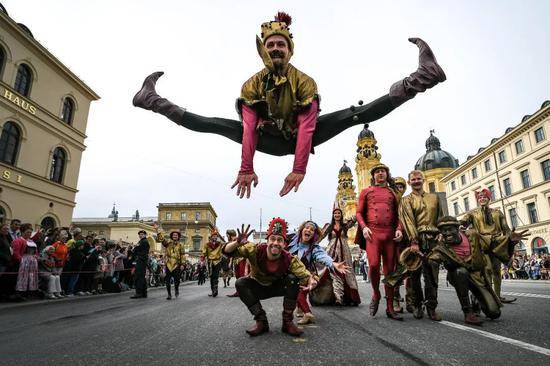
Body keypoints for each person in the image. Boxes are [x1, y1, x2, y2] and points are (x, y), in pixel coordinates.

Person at [133, 12, 446, 199]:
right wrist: (246, 167)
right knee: (215, 124)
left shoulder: (304, 82)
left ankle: (422, 78)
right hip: (267, 139)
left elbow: (308, 127)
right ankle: (152, 100)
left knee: (355, 114)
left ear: (289, 50)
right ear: (264, 52)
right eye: (270, 45)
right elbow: (247, 128)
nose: (275, 49)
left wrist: (299, 169)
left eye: (280, 44)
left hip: (301, 136)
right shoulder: (252, 85)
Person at [223, 220, 317, 337]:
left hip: (277, 287)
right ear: (267, 241)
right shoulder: (254, 250)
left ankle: (287, 322)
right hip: (258, 287)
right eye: (272, 239)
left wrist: (311, 280)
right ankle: (261, 322)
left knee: (293, 279)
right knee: (240, 283)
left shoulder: (289, 258)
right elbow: (227, 250)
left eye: (280, 240)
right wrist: (237, 242)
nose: (275, 243)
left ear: (284, 244)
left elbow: (305, 274)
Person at [428, 216, 528, 325]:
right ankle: (468, 313)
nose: (447, 233)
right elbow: (432, 259)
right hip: (458, 276)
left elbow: (492, 241)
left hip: (477, 276)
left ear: (457, 229)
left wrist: (509, 240)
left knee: (494, 313)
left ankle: (477, 299)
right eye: (444, 230)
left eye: (450, 229)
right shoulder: (440, 247)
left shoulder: (472, 235)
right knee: (461, 271)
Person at [355, 163, 404, 320]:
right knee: (374, 264)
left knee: (390, 271)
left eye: (382, 171)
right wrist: (363, 227)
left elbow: (400, 214)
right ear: (373, 175)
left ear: (387, 174)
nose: (380, 174)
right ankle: (376, 293)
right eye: (377, 172)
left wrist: (399, 229)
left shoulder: (393, 193)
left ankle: (390, 307)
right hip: (373, 233)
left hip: (390, 234)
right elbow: (358, 213)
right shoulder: (366, 191)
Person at [399, 170, 443, 321]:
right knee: (415, 276)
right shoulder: (406, 200)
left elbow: (441, 218)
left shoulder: (435, 198)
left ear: (423, 180)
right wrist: (413, 241)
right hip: (415, 240)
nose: (416, 181)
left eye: (419, 179)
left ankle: (431, 307)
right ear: (409, 182)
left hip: (433, 240)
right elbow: (408, 221)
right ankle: (417, 305)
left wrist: (441, 232)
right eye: (413, 179)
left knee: (432, 276)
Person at [287, 220, 350, 325]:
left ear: (314, 234)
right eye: (307, 228)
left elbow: (323, 256)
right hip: (291, 274)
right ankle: (300, 308)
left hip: (308, 275)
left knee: (300, 291)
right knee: (296, 291)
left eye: (312, 230)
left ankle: (308, 314)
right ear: (302, 229)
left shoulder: (314, 248)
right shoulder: (291, 240)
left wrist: (333, 264)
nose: (309, 230)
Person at [460, 188, 516, 303]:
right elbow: (463, 222)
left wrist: (512, 239)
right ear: (477, 200)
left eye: (484, 197)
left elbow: (506, 230)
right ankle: (488, 296)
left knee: (496, 270)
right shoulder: (473, 213)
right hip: (482, 244)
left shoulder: (497, 213)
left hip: (497, 244)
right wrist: (461, 226)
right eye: (479, 197)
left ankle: (498, 296)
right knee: (488, 269)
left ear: (489, 198)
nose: (482, 198)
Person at [319, 207, 361, 306]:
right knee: (333, 272)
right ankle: (337, 298)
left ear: (341, 215)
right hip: (332, 251)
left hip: (344, 252)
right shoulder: (329, 226)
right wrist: (311, 244)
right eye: (335, 213)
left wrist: (362, 208)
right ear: (333, 215)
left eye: (338, 213)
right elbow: (320, 236)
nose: (337, 215)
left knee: (347, 272)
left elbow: (355, 218)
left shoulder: (345, 225)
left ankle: (349, 297)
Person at [12, 223, 39, 298]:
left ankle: (28, 292)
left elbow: (36, 252)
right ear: (22, 232)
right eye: (27, 232)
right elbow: (16, 253)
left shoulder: (32, 242)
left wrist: (35, 257)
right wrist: (22, 261)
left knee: (30, 278)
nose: (29, 234)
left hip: (32, 263)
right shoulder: (18, 241)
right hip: (23, 263)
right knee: (22, 278)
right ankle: (20, 292)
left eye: (30, 232)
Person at [157, 229, 185, 300]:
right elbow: (162, 240)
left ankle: (176, 289)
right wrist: (158, 231)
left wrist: (182, 264)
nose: (175, 236)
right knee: (167, 280)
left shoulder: (181, 245)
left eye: (176, 235)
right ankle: (169, 294)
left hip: (177, 264)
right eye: (173, 235)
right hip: (168, 263)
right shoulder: (168, 243)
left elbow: (183, 255)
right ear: (171, 236)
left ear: (178, 236)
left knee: (177, 280)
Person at [202, 229, 224, 297]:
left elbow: (225, 247)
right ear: (211, 237)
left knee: (216, 276)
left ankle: (215, 290)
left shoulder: (220, 244)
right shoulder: (207, 244)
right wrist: (202, 260)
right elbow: (204, 253)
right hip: (210, 262)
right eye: (213, 236)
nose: (215, 237)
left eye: (216, 236)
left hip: (217, 261)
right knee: (211, 277)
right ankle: (213, 291)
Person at [130, 230, 150, 299]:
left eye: (142, 234)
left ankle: (139, 293)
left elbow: (136, 250)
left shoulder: (143, 242)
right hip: (142, 261)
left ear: (145, 235)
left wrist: (133, 250)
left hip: (141, 261)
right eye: (140, 234)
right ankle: (144, 293)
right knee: (141, 277)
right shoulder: (142, 241)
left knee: (138, 277)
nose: (140, 235)